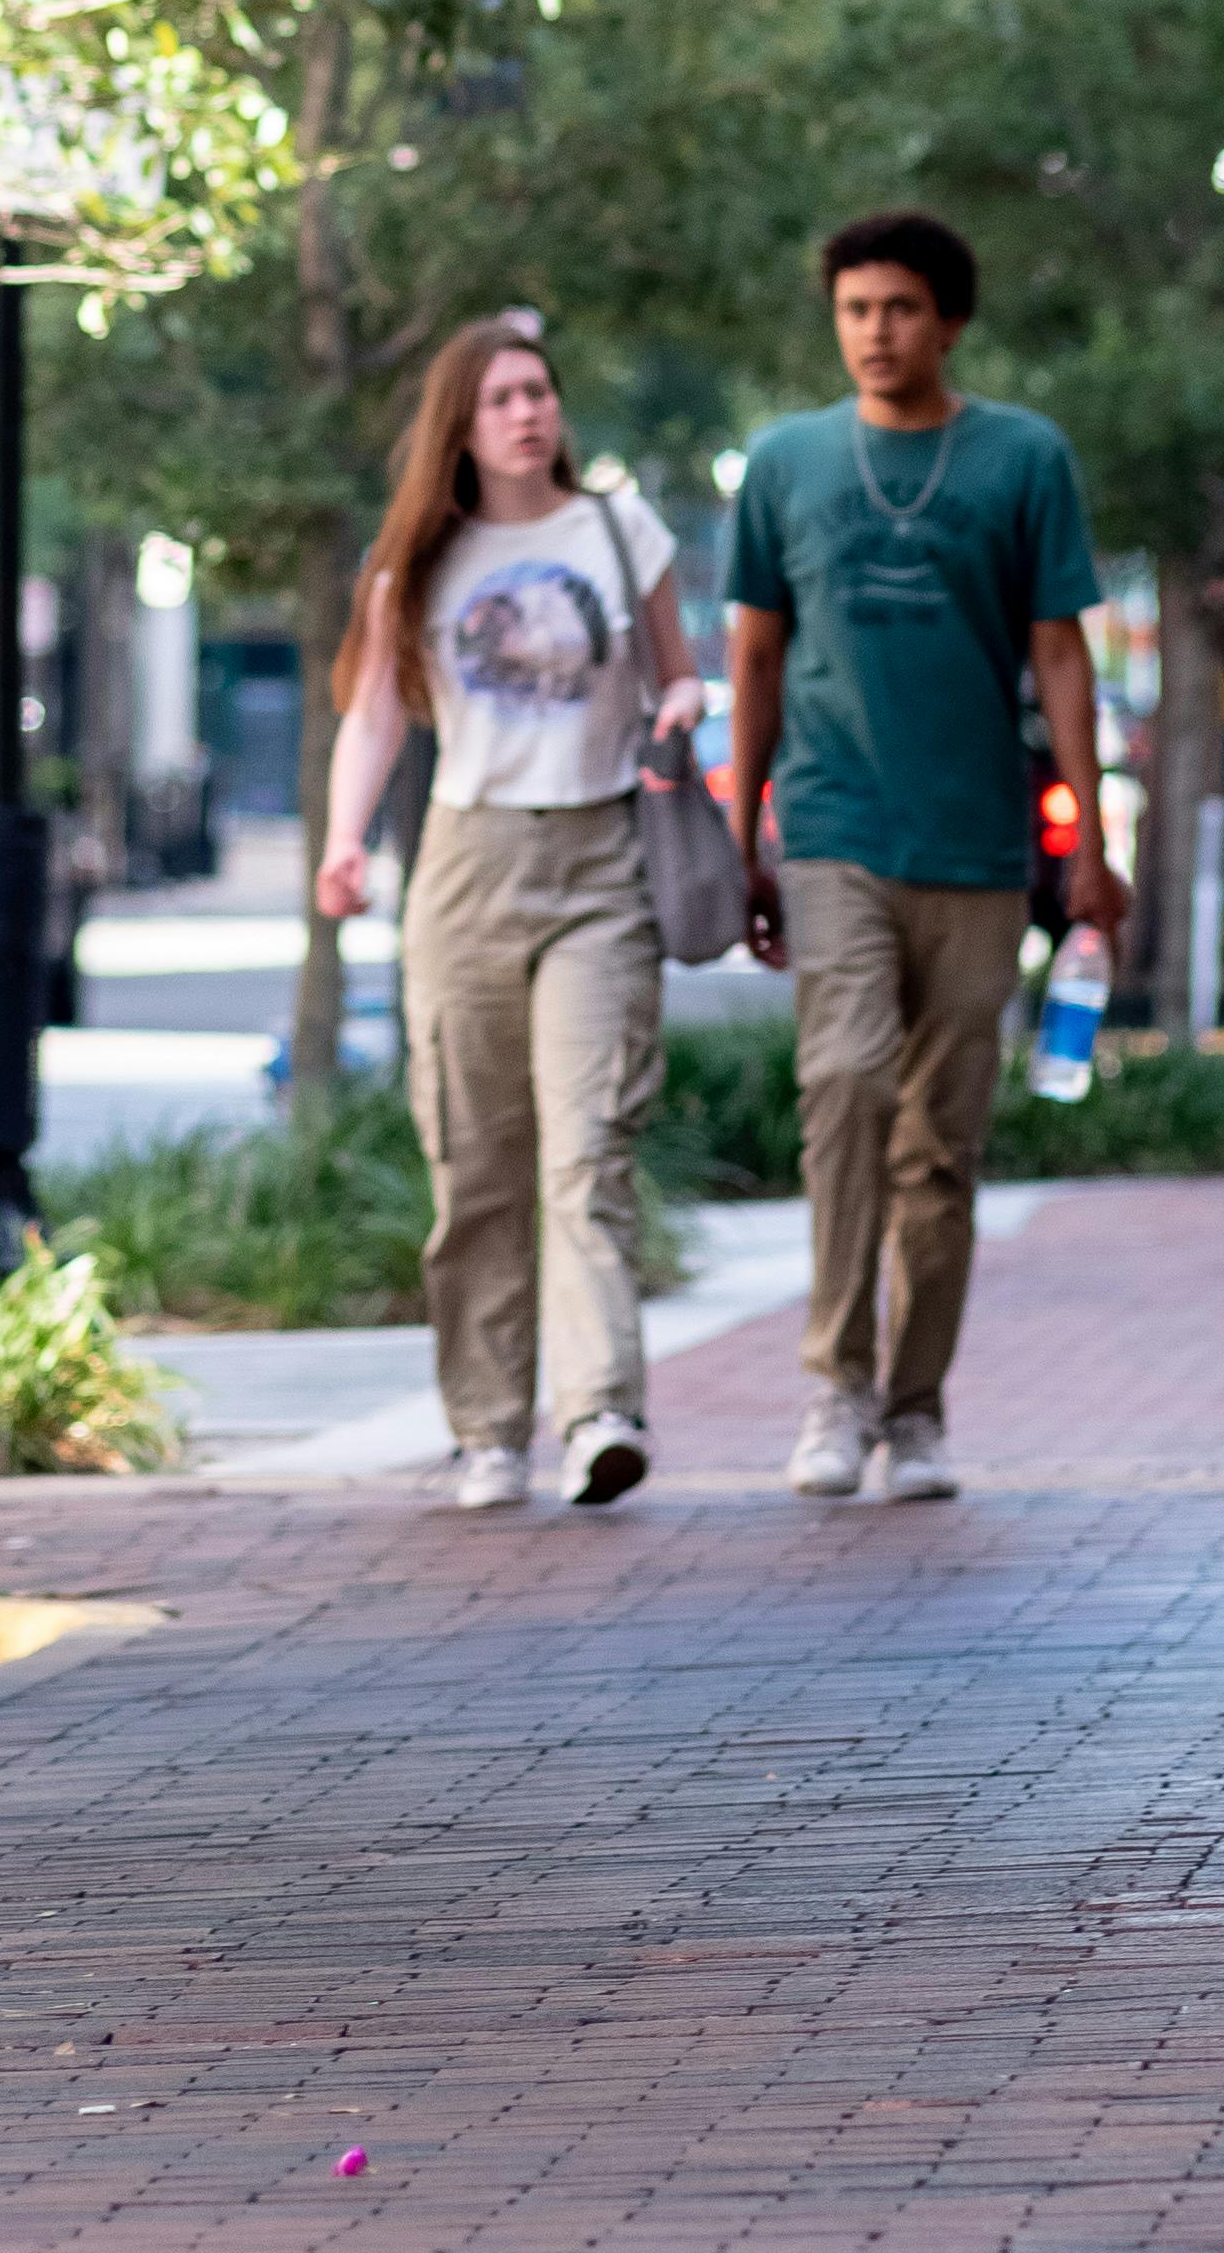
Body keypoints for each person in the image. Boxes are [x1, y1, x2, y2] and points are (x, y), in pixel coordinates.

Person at [721, 209, 1119, 1507]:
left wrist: (1092, 844)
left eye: (898, 309)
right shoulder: (784, 465)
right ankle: (834, 1387)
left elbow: (1062, 653)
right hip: (834, 828)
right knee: (841, 1088)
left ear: (948, 321)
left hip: (977, 844)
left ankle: (916, 1408)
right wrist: (744, 840)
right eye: (854, 311)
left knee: (938, 1143)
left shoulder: (1023, 458)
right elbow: (755, 655)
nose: (874, 333)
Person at [317, 312, 693, 1516]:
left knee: (586, 1152)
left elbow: (676, 670)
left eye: (540, 390)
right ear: (461, 428)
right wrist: (342, 845)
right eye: (503, 399)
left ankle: (600, 1414)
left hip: (599, 860)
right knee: (476, 1164)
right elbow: (375, 714)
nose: (530, 412)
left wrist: (685, 707)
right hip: (465, 867)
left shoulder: (621, 532)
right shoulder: (415, 564)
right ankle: (488, 1427)